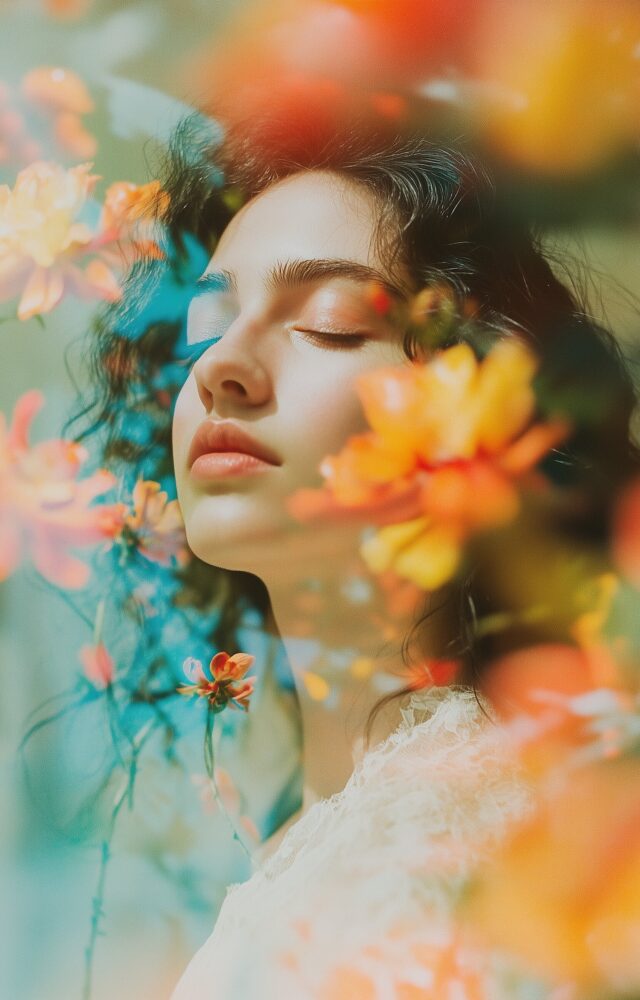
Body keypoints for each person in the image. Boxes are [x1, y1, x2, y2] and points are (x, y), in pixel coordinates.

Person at [79, 112, 638, 998]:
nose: (222, 363)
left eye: (332, 322)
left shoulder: (460, 858)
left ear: (481, 408)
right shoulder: (337, 835)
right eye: (207, 321)